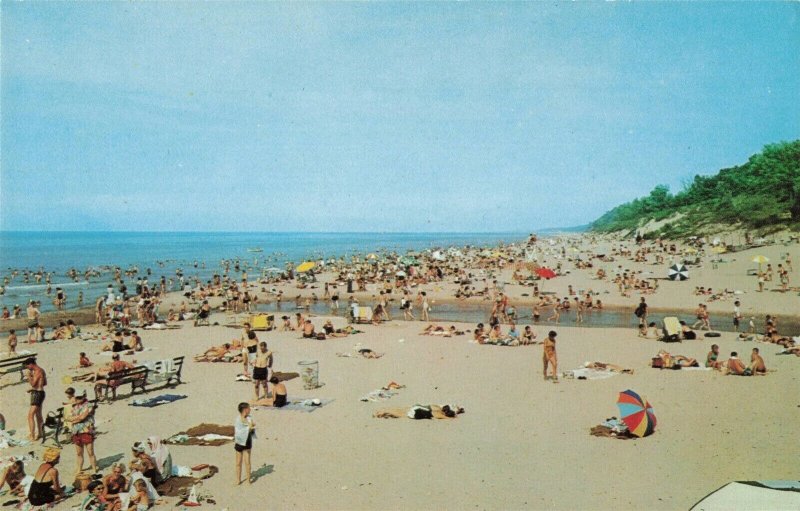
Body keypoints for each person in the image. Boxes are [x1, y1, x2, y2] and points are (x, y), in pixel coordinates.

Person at [66, 388, 98, 477]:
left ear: (84, 397)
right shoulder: (75, 406)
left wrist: (75, 420)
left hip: (86, 430)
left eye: (80, 398)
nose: (78, 399)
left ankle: (94, 468)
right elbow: (68, 417)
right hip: (77, 431)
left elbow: (82, 417)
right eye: (77, 398)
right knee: (79, 453)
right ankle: (79, 468)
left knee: (90, 452)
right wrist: (76, 419)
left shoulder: (89, 405)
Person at [25, 357, 47, 441]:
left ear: (31, 364)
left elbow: (33, 384)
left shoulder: (37, 371)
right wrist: (37, 387)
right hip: (40, 392)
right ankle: (41, 433)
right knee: (38, 414)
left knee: (30, 415)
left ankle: (32, 435)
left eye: (28, 366)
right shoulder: (42, 370)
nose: (28, 368)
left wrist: (29, 376)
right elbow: (44, 383)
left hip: (37, 394)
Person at [234, 402, 256, 485]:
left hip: (247, 442)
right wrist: (249, 427)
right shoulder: (238, 419)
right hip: (239, 442)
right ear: (245, 410)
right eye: (249, 408)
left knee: (247, 462)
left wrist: (251, 426)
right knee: (238, 462)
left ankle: (248, 479)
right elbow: (239, 431)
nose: (250, 410)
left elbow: (252, 427)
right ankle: (238, 479)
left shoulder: (249, 418)